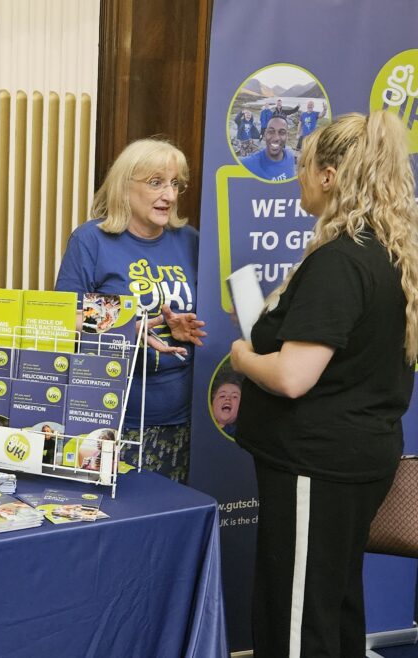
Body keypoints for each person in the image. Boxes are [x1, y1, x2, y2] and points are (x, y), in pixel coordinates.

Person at [230, 111, 418, 657]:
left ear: (331, 175)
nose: (298, 176)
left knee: (298, 618)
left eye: (304, 165)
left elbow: (292, 378)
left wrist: (243, 357)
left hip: (318, 466)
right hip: (351, 460)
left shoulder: (341, 261)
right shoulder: (387, 253)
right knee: (333, 605)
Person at [56, 138, 206, 483]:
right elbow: (62, 319)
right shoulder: (91, 240)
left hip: (182, 417)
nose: (169, 195)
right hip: (111, 416)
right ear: (125, 186)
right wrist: (125, 325)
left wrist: (185, 326)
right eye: (156, 183)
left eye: (175, 184)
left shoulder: (191, 241)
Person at [240, 115, 296, 181]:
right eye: (271, 131)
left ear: (287, 136)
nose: (276, 138)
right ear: (265, 134)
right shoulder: (249, 163)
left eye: (282, 132)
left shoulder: (290, 157)